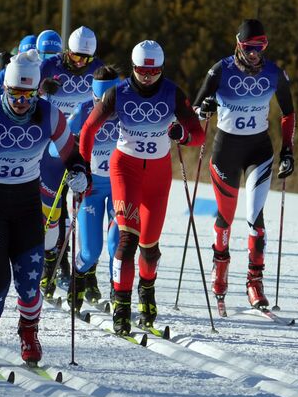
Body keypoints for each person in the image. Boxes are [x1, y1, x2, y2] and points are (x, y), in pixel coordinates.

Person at [0, 50, 91, 367]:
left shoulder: (50, 114)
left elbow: (73, 156)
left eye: (29, 95)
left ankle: (29, 334)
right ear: (6, 89)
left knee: (29, 282)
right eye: (16, 94)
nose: (22, 102)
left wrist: (80, 173)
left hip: (27, 203)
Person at [78, 40, 205, 334]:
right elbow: (88, 130)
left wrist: (182, 134)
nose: (147, 77)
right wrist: (82, 166)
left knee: (149, 248)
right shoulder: (117, 93)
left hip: (158, 175)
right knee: (127, 241)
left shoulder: (172, 93)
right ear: (133, 68)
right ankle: (122, 306)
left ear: (161, 69)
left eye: (154, 71)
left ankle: (147, 293)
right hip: (126, 169)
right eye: (141, 71)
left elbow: (198, 135)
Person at [192, 19, 296, 311]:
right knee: (226, 215)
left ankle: (254, 281)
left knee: (254, 216)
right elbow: (194, 112)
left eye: (259, 48)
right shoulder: (220, 70)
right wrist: (204, 109)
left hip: (259, 150)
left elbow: (288, 113)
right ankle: (220, 264)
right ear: (239, 45)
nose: (254, 54)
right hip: (226, 150)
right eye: (249, 48)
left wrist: (288, 151)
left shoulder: (274, 73)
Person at [37, 25, 104, 297]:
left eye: (85, 59)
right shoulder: (48, 65)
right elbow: (22, 94)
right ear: (67, 51)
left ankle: (87, 274)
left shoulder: (97, 69)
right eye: (75, 57)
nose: (80, 63)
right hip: (53, 146)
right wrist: (42, 89)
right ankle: (51, 265)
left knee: (86, 212)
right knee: (53, 210)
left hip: (85, 148)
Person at [71, 64, 122, 310]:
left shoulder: (127, 108)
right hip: (90, 188)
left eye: (109, 103)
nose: (105, 110)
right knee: (90, 252)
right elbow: (57, 141)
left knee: (117, 244)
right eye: (99, 101)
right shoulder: (82, 112)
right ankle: (77, 278)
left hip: (119, 187)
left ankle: (117, 291)